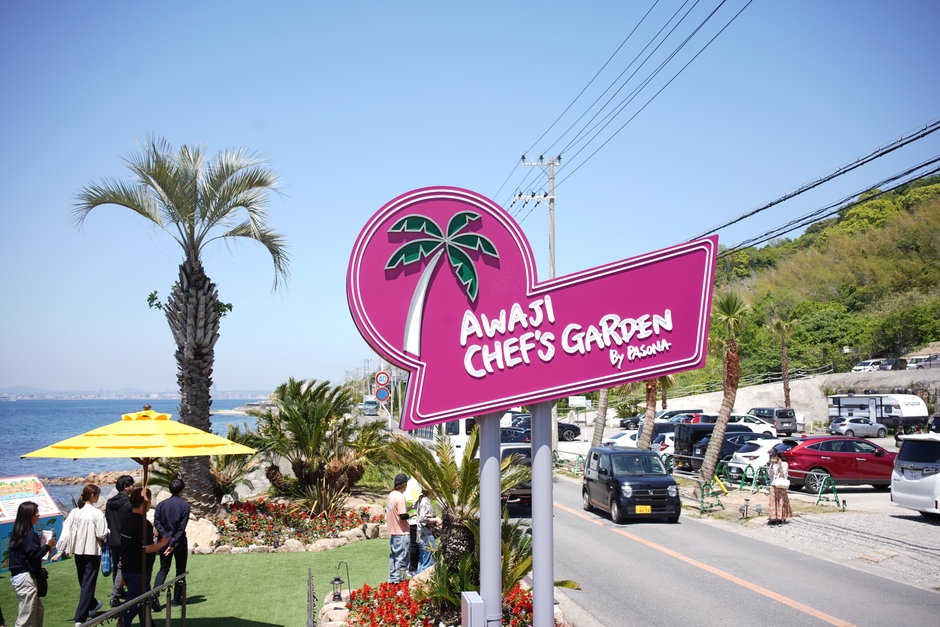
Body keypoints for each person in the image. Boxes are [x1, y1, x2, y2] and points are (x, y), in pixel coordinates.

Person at [57, 484, 109, 626]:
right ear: (92, 496)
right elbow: (101, 533)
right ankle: (80, 617)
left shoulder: (75, 512)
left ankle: (92, 605)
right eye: (97, 494)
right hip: (92, 551)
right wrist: (108, 532)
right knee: (88, 583)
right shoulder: (96, 513)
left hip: (78, 551)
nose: (98, 497)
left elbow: (66, 530)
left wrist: (60, 549)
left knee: (84, 581)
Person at [120, 488, 169, 627]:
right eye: (149, 500)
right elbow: (146, 548)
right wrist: (162, 543)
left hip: (127, 565)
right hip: (139, 569)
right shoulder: (143, 523)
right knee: (135, 603)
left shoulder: (126, 519)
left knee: (144, 602)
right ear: (144, 502)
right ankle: (122, 622)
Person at [8, 501, 56, 627]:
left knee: (38, 611)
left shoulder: (18, 532)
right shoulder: (30, 534)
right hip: (26, 578)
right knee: (26, 618)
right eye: (36, 513)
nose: (38, 515)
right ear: (29, 515)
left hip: (19, 576)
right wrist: (47, 546)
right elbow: (34, 555)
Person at [153, 479, 191, 608]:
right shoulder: (185, 506)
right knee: (180, 570)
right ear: (182, 490)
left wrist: (167, 537)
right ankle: (176, 598)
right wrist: (173, 541)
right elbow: (181, 527)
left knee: (163, 568)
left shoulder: (161, 505)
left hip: (163, 540)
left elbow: (157, 522)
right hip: (179, 541)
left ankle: (154, 595)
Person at [105, 475, 135, 607]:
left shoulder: (109, 503)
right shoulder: (128, 503)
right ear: (126, 487)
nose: (133, 487)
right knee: (122, 567)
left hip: (113, 539)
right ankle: (116, 595)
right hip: (125, 539)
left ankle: (119, 590)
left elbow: (107, 519)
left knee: (116, 564)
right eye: (132, 484)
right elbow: (132, 521)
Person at [386, 473, 410, 583]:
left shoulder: (391, 495)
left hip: (394, 533)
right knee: (402, 558)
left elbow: (395, 511)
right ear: (404, 484)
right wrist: (413, 514)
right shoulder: (400, 497)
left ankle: (392, 579)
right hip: (402, 533)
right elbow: (402, 516)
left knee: (394, 557)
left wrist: (410, 507)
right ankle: (399, 582)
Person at [767, 451, 793, 526]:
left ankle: (780, 518)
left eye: (774, 457)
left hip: (781, 485)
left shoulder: (785, 464)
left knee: (781, 501)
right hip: (774, 484)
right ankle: (773, 517)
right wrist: (772, 465)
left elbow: (783, 475)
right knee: (773, 501)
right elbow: (769, 474)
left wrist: (780, 465)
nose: (773, 458)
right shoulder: (773, 464)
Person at [415, 486, 437, 574]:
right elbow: (423, 519)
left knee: (423, 561)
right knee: (427, 562)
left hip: (423, 535)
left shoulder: (423, 500)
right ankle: (422, 581)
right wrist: (437, 520)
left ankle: (418, 580)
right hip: (426, 536)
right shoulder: (425, 502)